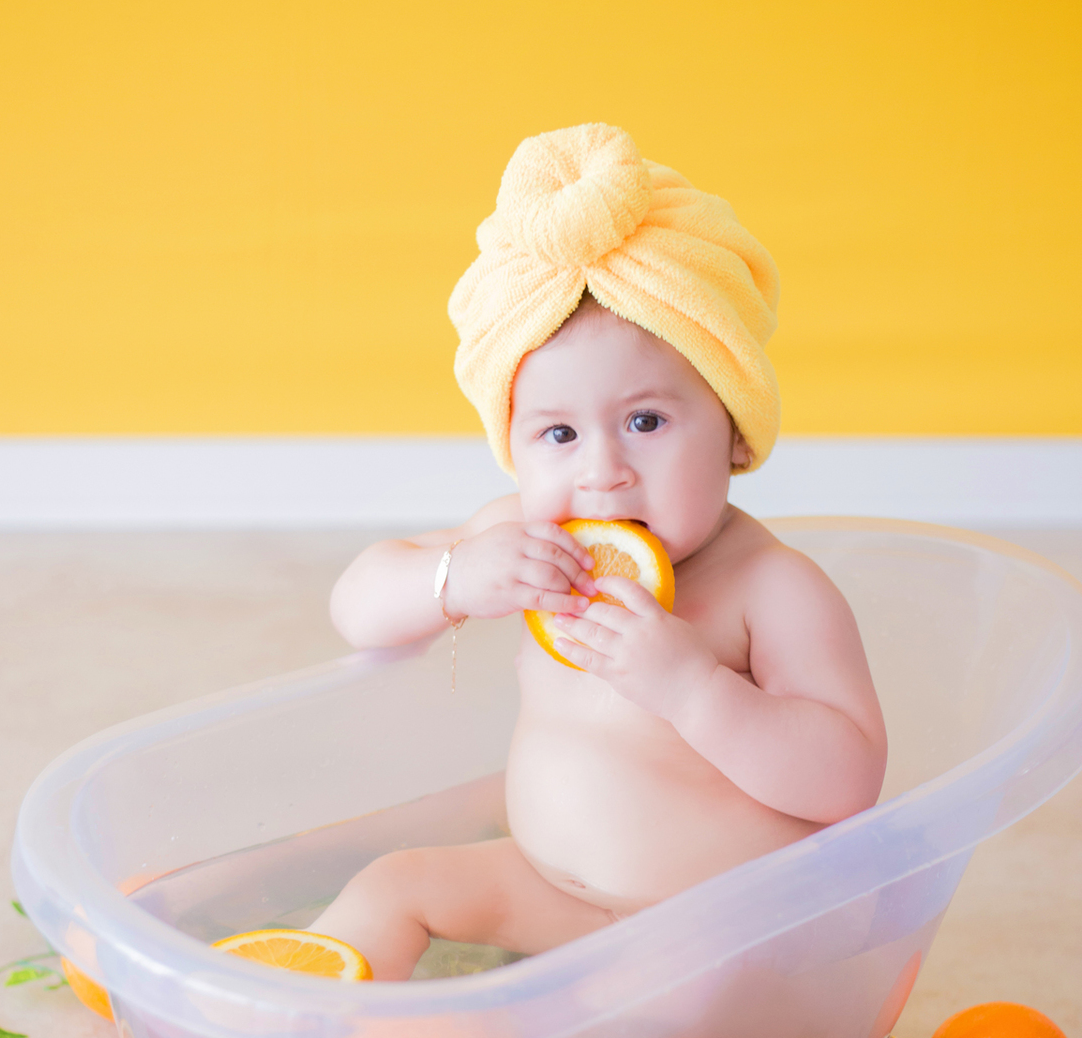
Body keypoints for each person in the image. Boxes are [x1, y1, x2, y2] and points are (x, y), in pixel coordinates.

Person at [312, 124, 886, 979]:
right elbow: (357, 611)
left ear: (734, 429)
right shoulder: (522, 535)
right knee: (392, 884)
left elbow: (847, 781)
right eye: (558, 433)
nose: (603, 474)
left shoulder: (771, 591)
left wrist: (696, 689)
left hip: (708, 936)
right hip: (550, 887)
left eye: (646, 422)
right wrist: (455, 578)